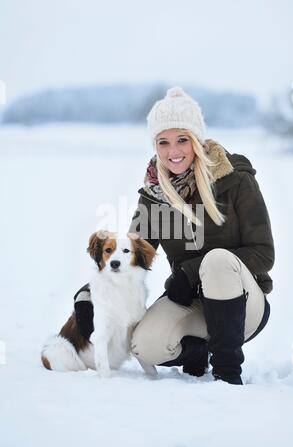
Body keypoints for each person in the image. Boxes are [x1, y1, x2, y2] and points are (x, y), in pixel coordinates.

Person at [74, 87, 275, 385]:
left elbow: (263, 253)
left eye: (182, 139)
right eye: (163, 142)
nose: (174, 151)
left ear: (197, 140)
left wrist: (191, 272)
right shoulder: (154, 196)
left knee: (218, 261)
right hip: (192, 302)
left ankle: (227, 371)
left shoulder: (236, 180)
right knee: (144, 344)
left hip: (243, 304)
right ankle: (199, 353)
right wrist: (89, 292)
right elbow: (129, 252)